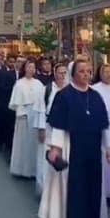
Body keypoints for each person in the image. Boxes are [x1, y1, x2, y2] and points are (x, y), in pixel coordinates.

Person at [38, 57, 110, 218]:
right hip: (72, 148)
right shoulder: (64, 96)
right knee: (75, 189)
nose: (86, 74)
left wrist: (108, 146)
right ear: (73, 74)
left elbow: (104, 124)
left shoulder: (96, 96)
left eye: (88, 71)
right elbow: (58, 126)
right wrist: (55, 148)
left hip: (94, 151)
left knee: (94, 189)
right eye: (81, 71)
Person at [34, 62, 67, 195]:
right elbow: (41, 110)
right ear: (55, 74)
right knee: (46, 157)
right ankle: (45, 188)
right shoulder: (47, 89)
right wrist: (41, 129)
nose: (63, 76)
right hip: (49, 127)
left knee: (63, 157)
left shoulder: (71, 89)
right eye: (60, 73)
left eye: (65, 73)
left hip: (65, 129)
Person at [9, 59, 44, 178]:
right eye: (29, 67)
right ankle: (20, 169)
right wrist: (21, 113)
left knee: (33, 144)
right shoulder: (19, 83)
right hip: (23, 115)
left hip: (35, 115)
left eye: (33, 67)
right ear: (25, 68)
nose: (31, 69)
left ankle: (33, 171)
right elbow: (15, 102)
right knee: (22, 143)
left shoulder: (39, 84)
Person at [92, 64, 110, 204]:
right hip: (102, 131)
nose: (108, 74)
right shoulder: (95, 89)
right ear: (100, 73)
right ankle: (104, 193)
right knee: (105, 163)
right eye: (105, 72)